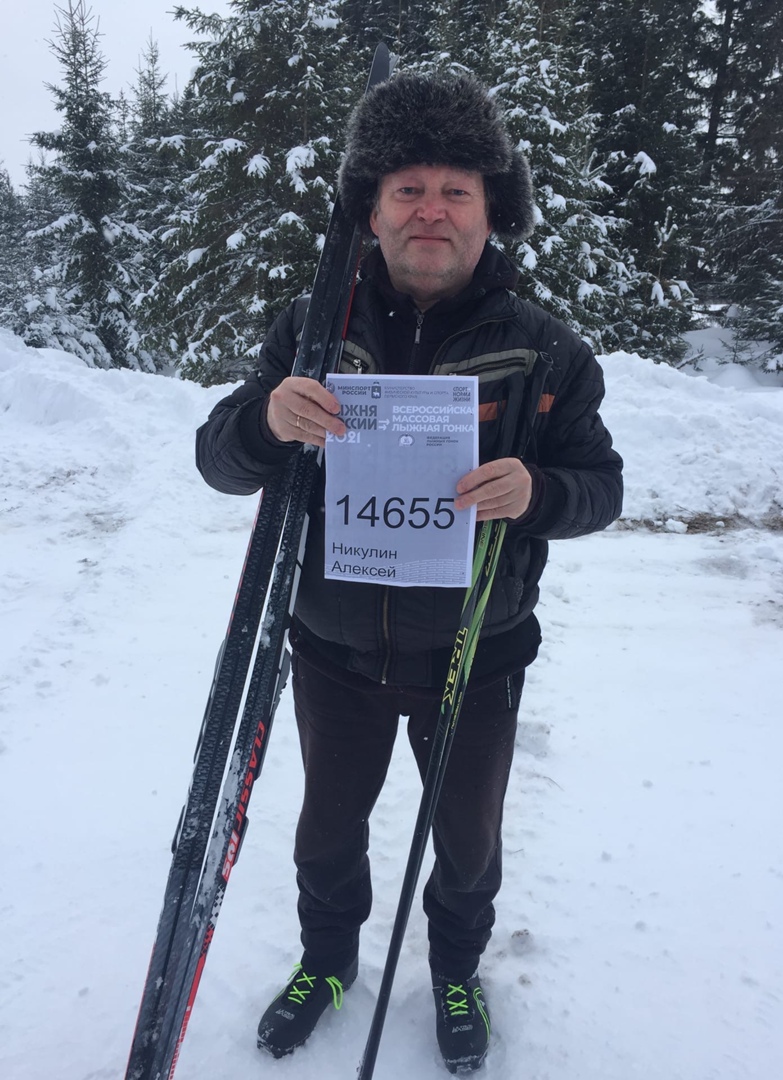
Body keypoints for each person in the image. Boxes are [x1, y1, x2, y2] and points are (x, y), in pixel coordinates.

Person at [196, 71, 623, 1074]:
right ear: (373, 210)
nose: (431, 209)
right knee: (325, 835)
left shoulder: (547, 349)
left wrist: (538, 491)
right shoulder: (312, 329)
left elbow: (600, 486)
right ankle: (328, 962)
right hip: (334, 653)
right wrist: (267, 420)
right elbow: (218, 459)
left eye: (456, 190)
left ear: (491, 210)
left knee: (467, 846)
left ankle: (457, 972)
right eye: (407, 189)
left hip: (477, 657)